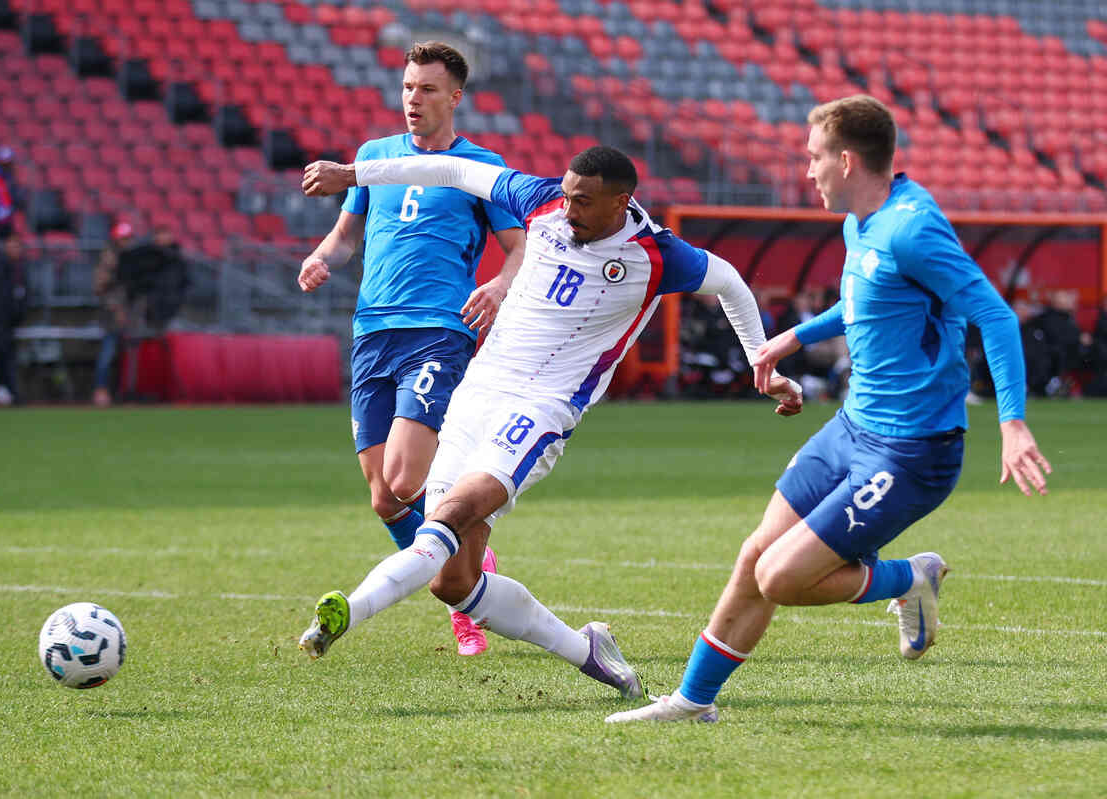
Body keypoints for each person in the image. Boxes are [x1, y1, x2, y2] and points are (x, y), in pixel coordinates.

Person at [296, 145, 803, 701]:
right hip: (477, 394)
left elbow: (730, 280)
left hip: (542, 408)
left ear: (621, 202)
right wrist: (353, 174)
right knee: (453, 581)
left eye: (582, 201)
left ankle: (349, 611)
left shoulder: (657, 254)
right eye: (566, 194)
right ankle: (588, 652)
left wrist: (763, 363)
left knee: (452, 513)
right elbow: (450, 169)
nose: (568, 208)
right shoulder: (541, 202)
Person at [605, 95, 1051, 725]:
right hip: (850, 426)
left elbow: (997, 318)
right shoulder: (858, 223)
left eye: (814, 158)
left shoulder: (913, 227)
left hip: (912, 450)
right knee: (754, 553)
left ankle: (908, 578)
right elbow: (868, 301)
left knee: (781, 576)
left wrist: (1012, 423)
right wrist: (795, 337)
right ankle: (691, 701)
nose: (806, 171)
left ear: (846, 160)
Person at [296, 41, 526, 656]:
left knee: (403, 478)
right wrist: (322, 258)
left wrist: (501, 283)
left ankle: (464, 594)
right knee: (382, 497)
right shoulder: (373, 159)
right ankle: (469, 567)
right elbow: (346, 237)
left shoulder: (482, 167)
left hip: (438, 331)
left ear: (455, 97)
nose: (412, 100)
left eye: (426, 89)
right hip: (372, 333)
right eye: (406, 88)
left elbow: (520, 244)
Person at [92, 222, 135, 407]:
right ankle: (101, 389)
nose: (126, 242)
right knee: (107, 353)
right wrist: (116, 308)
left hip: (127, 313)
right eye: (123, 238)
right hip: (111, 315)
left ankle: (122, 392)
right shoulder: (109, 259)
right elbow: (101, 288)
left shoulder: (128, 259)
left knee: (124, 356)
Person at [0, 234, 29, 405]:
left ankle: (9, 391)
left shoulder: (20, 268)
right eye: (12, 246)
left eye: (17, 246)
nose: (15, 250)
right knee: (3, 356)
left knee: (10, 356)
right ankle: (7, 391)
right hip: (0, 321)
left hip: (13, 321)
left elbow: (26, 293)